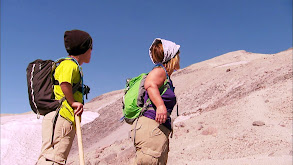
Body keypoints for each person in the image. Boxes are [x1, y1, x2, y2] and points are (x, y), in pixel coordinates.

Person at [36, 29, 93, 165]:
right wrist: (73, 102)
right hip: (62, 116)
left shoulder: (69, 65)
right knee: (54, 159)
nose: (92, 51)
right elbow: (64, 83)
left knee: (52, 157)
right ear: (84, 48)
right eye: (91, 47)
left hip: (61, 118)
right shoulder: (69, 64)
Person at [131, 38, 180, 165]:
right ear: (172, 57)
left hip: (156, 130)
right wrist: (160, 106)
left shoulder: (165, 75)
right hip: (152, 128)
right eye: (178, 55)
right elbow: (150, 83)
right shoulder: (160, 71)